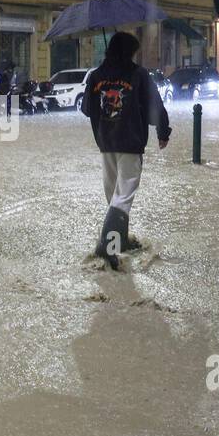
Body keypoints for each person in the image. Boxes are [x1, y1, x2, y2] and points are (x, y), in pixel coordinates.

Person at [80, 31, 171, 269]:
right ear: (130, 51)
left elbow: (88, 109)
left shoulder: (96, 75)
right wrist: (163, 131)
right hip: (130, 143)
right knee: (123, 196)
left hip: (106, 143)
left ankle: (118, 242)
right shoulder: (139, 74)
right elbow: (155, 105)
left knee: (113, 196)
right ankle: (108, 248)